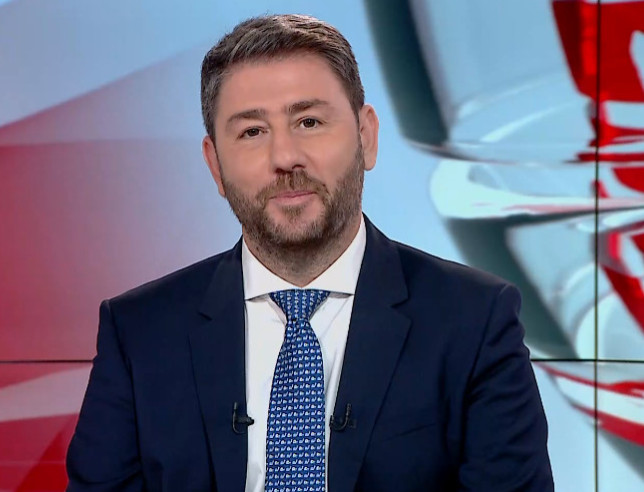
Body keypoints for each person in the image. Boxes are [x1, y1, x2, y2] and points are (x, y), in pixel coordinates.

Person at [66, 14, 554, 492]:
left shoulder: (474, 321)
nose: (285, 157)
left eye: (309, 121)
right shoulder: (139, 332)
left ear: (366, 137)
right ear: (215, 166)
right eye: (252, 131)